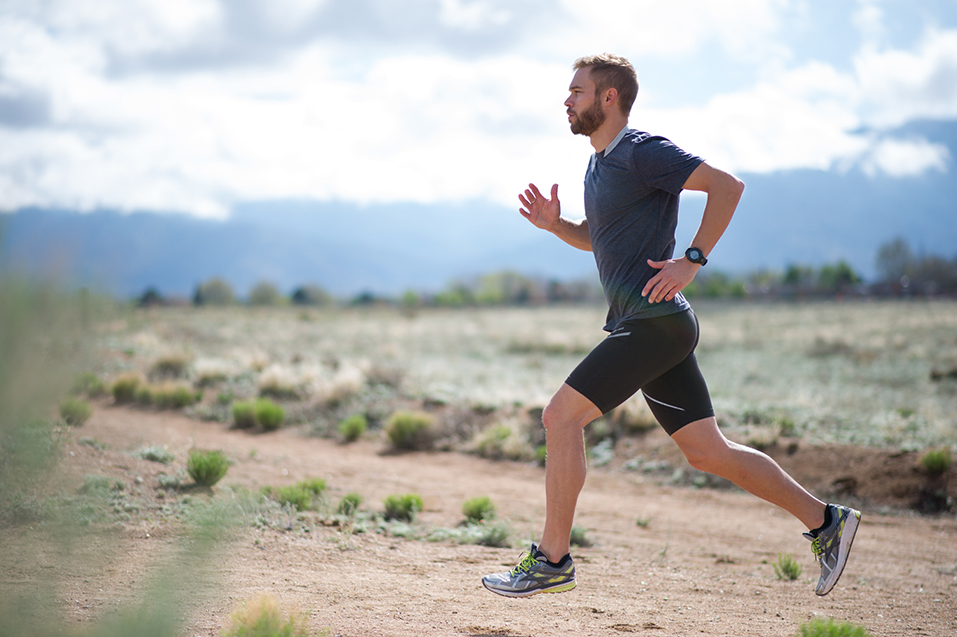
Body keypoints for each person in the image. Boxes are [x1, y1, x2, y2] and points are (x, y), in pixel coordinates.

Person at [481, 53, 860, 599]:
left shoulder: (641, 152)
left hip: (655, 323)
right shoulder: (598, 162)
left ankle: (553, 559)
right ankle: (828, 522)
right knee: (708, 452)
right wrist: (555, 225)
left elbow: (727, 186)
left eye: (577, 91)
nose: (566, 100)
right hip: (652, 325)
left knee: (560, 417)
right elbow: (599, 236)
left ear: (608, 98)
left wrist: (693, 259)